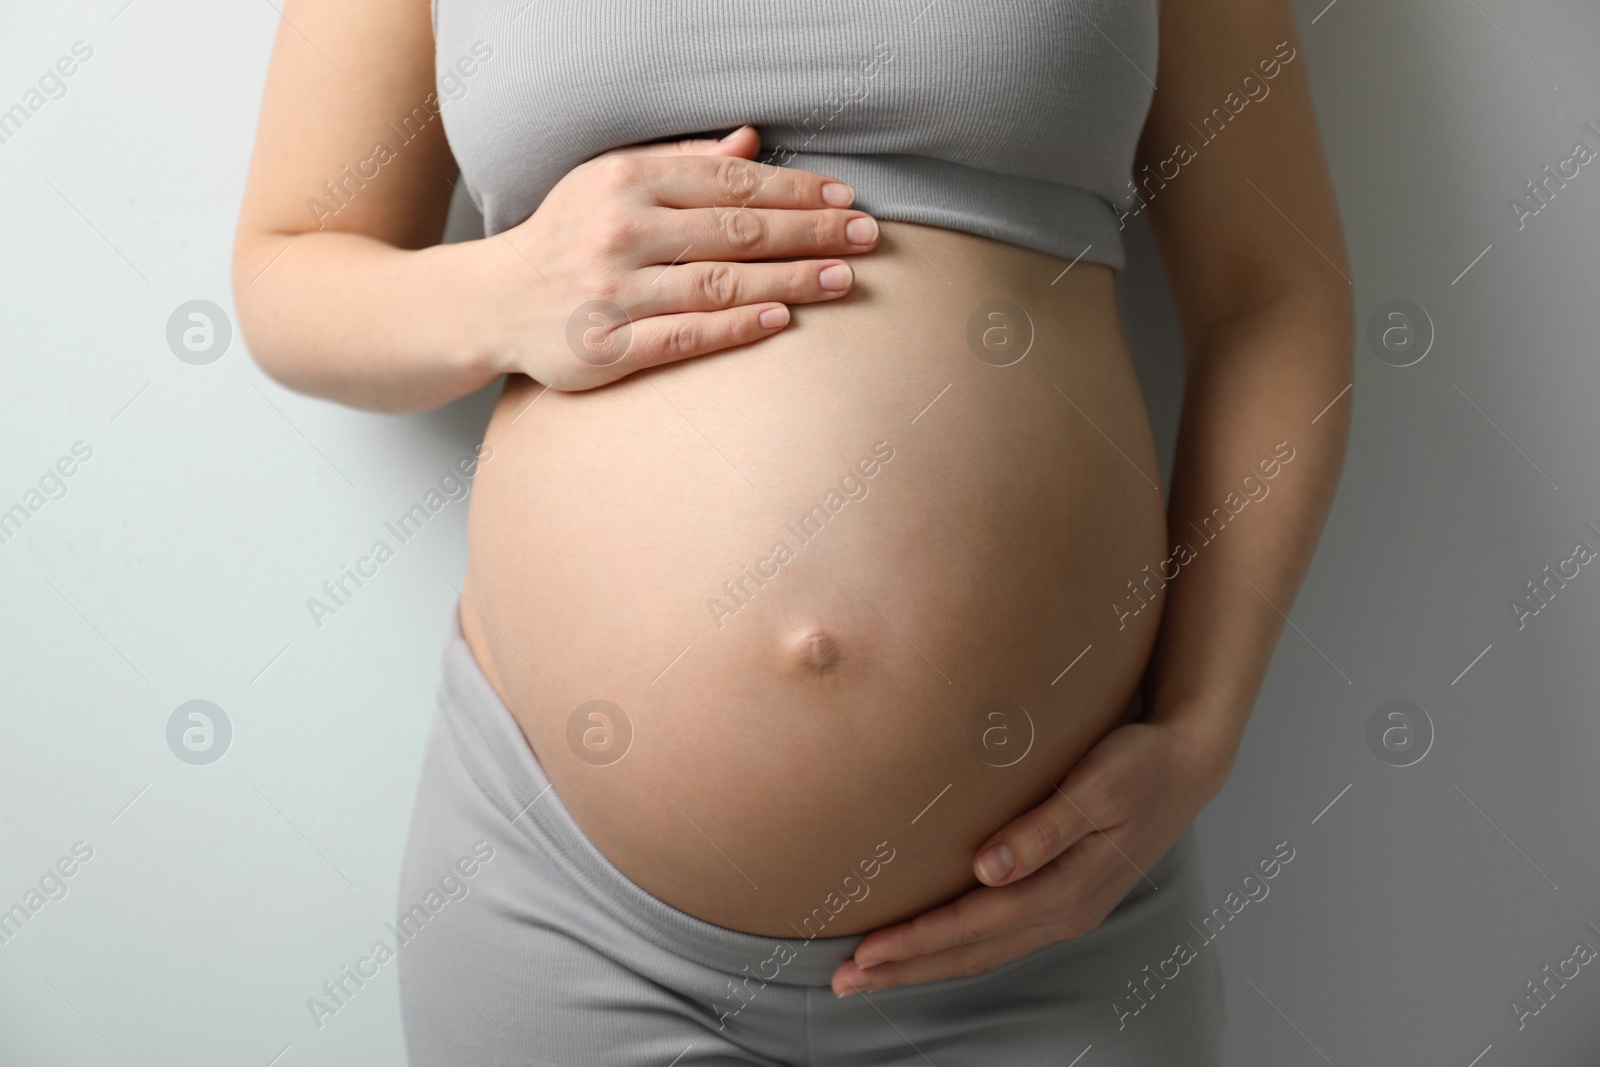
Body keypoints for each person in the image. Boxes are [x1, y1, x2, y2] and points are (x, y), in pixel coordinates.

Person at [233, 0, 1351, 1061]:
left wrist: (1202, 728)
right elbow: (289, 262)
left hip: (1050, 919)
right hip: (564, 913)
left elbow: (1271, 294)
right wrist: (503, 291)